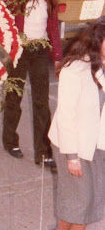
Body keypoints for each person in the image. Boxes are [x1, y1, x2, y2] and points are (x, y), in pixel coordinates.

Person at [2, 0, 62, 171]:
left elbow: (53, 29)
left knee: (41, 102)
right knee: (14, 96)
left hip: (40, 50)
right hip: (20, 51)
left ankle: (44, 152)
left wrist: (57, 56)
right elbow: (1, 16)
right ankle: (10, 141)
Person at [48, 17, 105, 230]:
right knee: (79, 204)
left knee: (86, 203)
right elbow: (66, 115)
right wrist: (72, 157)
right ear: (98, 40)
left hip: (96, 145)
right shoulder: (75, 68)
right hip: (72, 145)